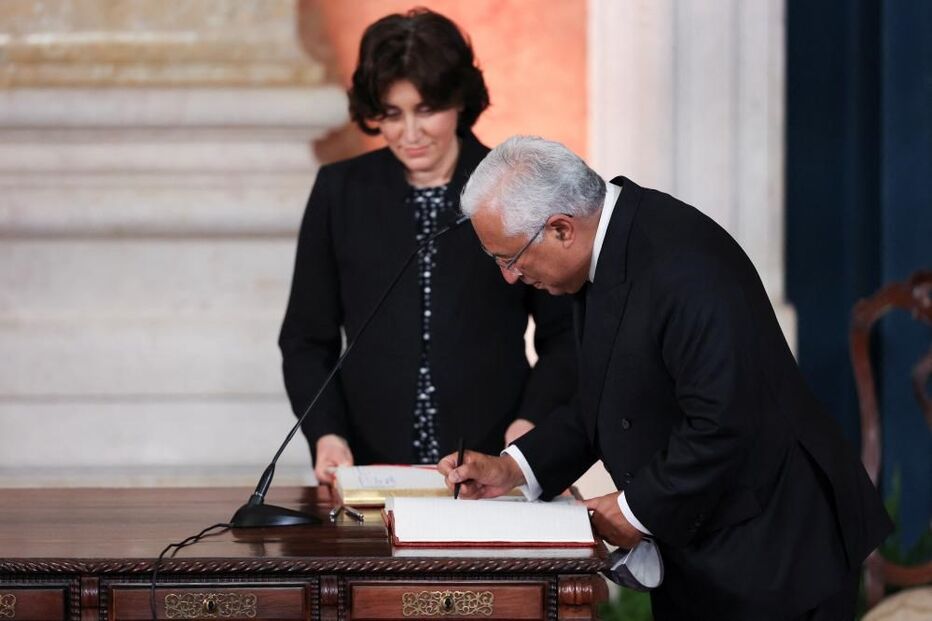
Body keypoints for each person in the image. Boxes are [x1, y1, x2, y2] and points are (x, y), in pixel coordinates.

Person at [439, 136, 893, 619]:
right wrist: (514, 469)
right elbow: (606, 397)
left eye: (510, 258)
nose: (510, 277)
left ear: (561, 229)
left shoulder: (682, 264)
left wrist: (632, 509)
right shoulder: (609, 244)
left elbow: (724, 422)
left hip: (776, 554)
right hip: (704, 543)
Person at [279, 12, 575, 484]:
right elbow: (305, 340)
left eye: (426, 110)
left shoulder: (517, 186)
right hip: (370, 469)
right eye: (392, 114)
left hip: (493, 462)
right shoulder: (340, 191)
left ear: (460, 101)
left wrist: (531, 425)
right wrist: (327, 434)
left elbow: (567, 335)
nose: (410, 133)